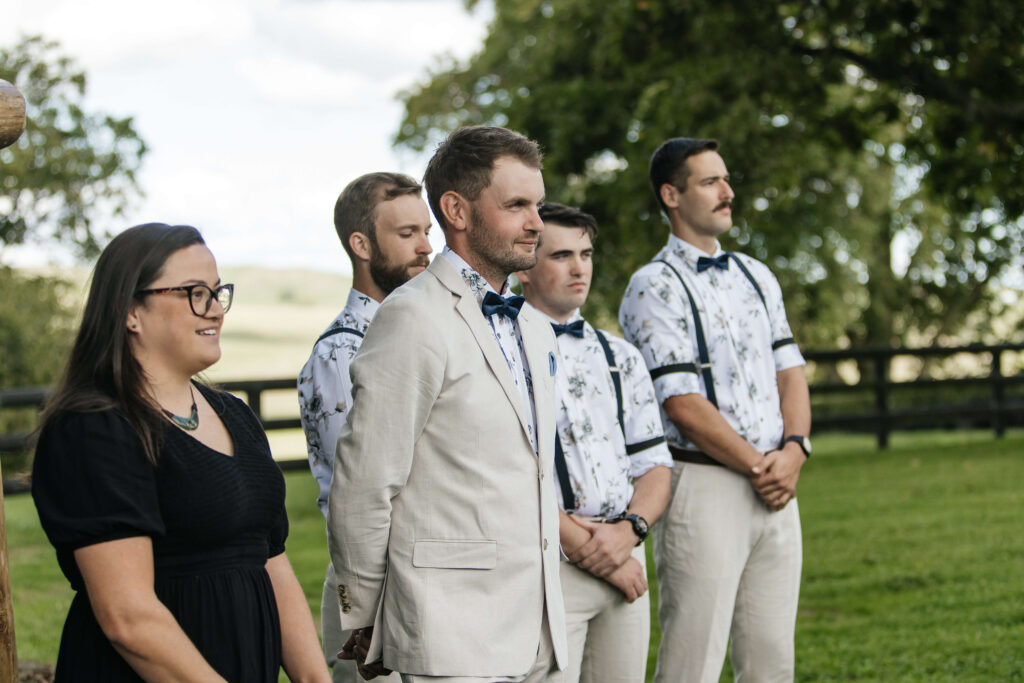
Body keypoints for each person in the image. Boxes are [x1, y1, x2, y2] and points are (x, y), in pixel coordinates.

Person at [31, 223, 330, 682]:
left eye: (217, 292)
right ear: (131, 311)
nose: (214, 309)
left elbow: (271, 561)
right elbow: (127, 617)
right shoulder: (94, 428)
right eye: (194, 292)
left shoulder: (234, 415)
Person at [327, 125, 568, 681]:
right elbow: (364, 485)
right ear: (456, 210)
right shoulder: (413, 317)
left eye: (538, 204)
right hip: (450, 634)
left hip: (541, 629)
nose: (536, 222)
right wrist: (363, 617)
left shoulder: (535, 328)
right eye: (516, 205)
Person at [619, 138, 812, 683]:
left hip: (778, 485)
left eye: (726, 180)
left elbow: (790, 371)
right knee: (693, 661)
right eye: (710, 182)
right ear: (671, 195)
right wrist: (759, 465)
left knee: (772, 660)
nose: (728, 193)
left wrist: (794, 451)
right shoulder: (652, 286)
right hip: (705, 486)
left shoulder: (756, 274)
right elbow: (681, 404)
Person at [516, 202, 672, 683]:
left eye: (585, 253)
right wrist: (595, 553)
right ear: (525, 268)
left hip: (625, 549)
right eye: (561, 255)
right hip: (548, 561)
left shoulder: (620, 356)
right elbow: (513, 473)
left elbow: (655, 465)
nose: (579, 266)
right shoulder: (506, 353)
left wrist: (629, 533)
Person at [298, 171, 431, 682]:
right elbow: (356, 494)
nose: (425, 248)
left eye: (426, 232)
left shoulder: (423, 333)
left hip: (430, 582)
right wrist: (369, 606)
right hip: (374, 589)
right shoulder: (340, 353)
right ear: (361, 244)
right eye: (406, 235)